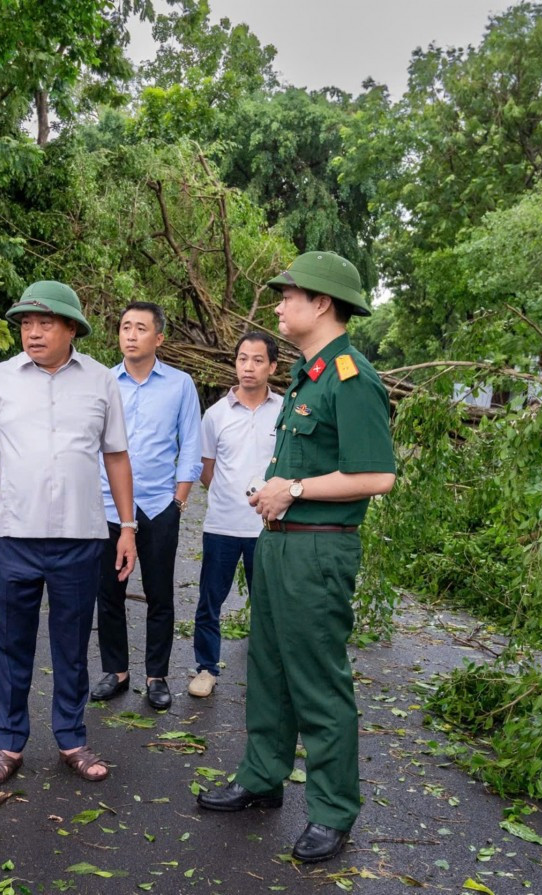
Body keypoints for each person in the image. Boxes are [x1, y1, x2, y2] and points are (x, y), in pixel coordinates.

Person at [195, 251, 396, 865]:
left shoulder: (351, 376)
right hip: (280, 543)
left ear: (322, 304)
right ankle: (262, 778)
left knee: (317, 681)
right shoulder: (308, 376)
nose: (279, 306)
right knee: (269, 668)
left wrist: (296, 490)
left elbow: (378, 476)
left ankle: (333, 813)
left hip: (319, 549)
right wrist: (275, 489)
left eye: (289, 296)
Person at [0, 281, 136, 787]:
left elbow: (116, 456)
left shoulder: (101, 381)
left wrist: (128, 527)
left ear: (71, 328)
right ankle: (9, 744)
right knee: (12, 644)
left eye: (45, 323)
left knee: (72, 645)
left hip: (81, 537)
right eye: (26, 324)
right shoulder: (0, 379)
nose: (32, 333)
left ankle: (72, 738)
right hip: (14, 535)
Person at [90, 302, 201, 712]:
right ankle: (116, 672)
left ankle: (157, 675)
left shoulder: (180, 384)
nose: (131, 334)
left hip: (158, 506)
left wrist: (179, 500)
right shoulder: (102, 382)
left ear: (159, 338)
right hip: (104, 505)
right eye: (124, 327)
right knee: (108, 592)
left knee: (159, 594)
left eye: (140, 328)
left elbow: (191, 443)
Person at [188, 331, 281, 699]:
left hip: (269, 527)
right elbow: (206, 470)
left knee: (268, 603)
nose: (248, 367)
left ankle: (266, 671)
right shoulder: (215, 415)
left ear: (272, 366)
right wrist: (229, 497)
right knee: (210, 600)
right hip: (222, 525)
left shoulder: (285, 409)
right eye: (243, 358)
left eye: (258, 360)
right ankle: (206, 669)